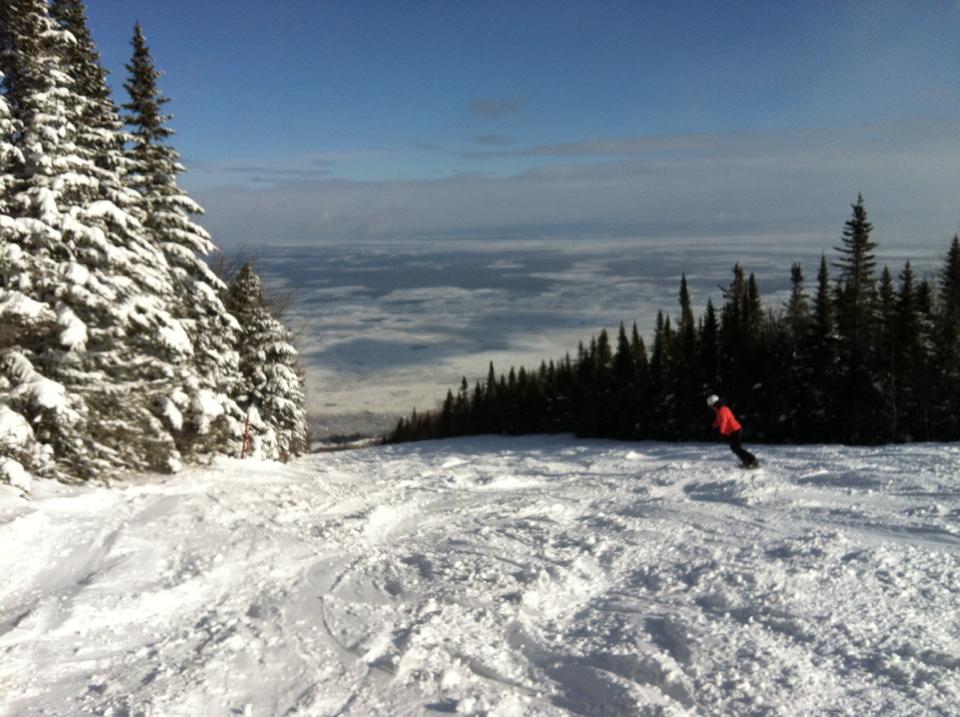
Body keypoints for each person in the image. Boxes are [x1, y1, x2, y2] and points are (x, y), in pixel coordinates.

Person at [706, 394, 759, 468]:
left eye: (711, 406)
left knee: (736, 448)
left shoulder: (722, 410)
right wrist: (713, 426)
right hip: (734, 431)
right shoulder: (720, 410)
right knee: (735, 448)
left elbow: (723, 421)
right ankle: (747, 461)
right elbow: (718, 420)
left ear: (713, 404)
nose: (711, 408)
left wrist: (721, 432)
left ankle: (752, 460)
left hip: (735, 430)